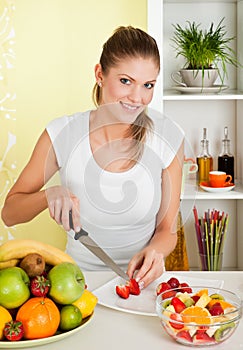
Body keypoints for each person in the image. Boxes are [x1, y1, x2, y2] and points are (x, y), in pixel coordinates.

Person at [1, 26, 184, 289]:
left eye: (148, 85)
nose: (137, 97)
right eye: (125, 81)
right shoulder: (62, 134)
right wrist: (48, 195)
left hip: (144, 285)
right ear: (100, 74)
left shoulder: (167, 137)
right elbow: (10, 214)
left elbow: (167, 229)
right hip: (76, 283)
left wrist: (156, 252)